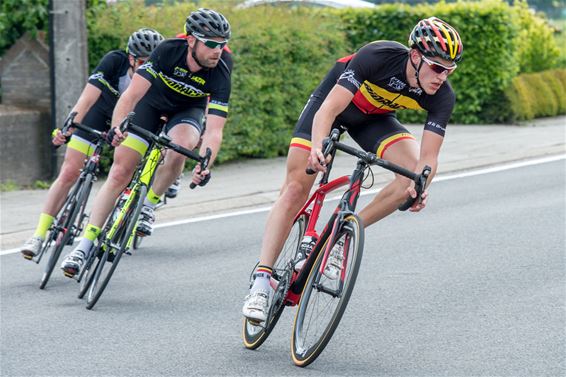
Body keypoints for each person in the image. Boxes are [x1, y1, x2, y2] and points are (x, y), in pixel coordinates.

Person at [242, 17, 463, 322]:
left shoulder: (442, 95)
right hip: (332, 107)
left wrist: (422, 185)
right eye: (437, 67)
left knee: (410, 177)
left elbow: (429, 157)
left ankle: (343, 234)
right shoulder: (379, 56)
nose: (442, 76)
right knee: (296, 187)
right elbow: (329, 109)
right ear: (415, 56)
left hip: (373, 120)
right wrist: (318, 145)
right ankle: (262, 281)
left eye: (450, 69)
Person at [60, 8, 233, 277]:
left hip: (187, 112)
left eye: (223, 45)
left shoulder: (221, 71)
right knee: (119, 172)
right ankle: (84, 245)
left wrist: (206, 163)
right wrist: (118, 126)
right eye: (211, 44)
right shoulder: (167, 51)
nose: (217, 50)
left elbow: (214, 130)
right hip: (150, 105)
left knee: (183, 146)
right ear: (191, 41)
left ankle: (149, 204)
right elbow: (130, 97)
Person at [20, 28, 165, 259]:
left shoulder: (159, 75)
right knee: (69, 171)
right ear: (130, 58)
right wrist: (68, 128)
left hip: (130, 123)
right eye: (142, 62)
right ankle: (38, 235)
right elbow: (87, 98)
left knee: (122, 175)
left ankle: (108, 228)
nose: (147, 68)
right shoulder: (113, 61)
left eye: (152, 63)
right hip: (100, 114)